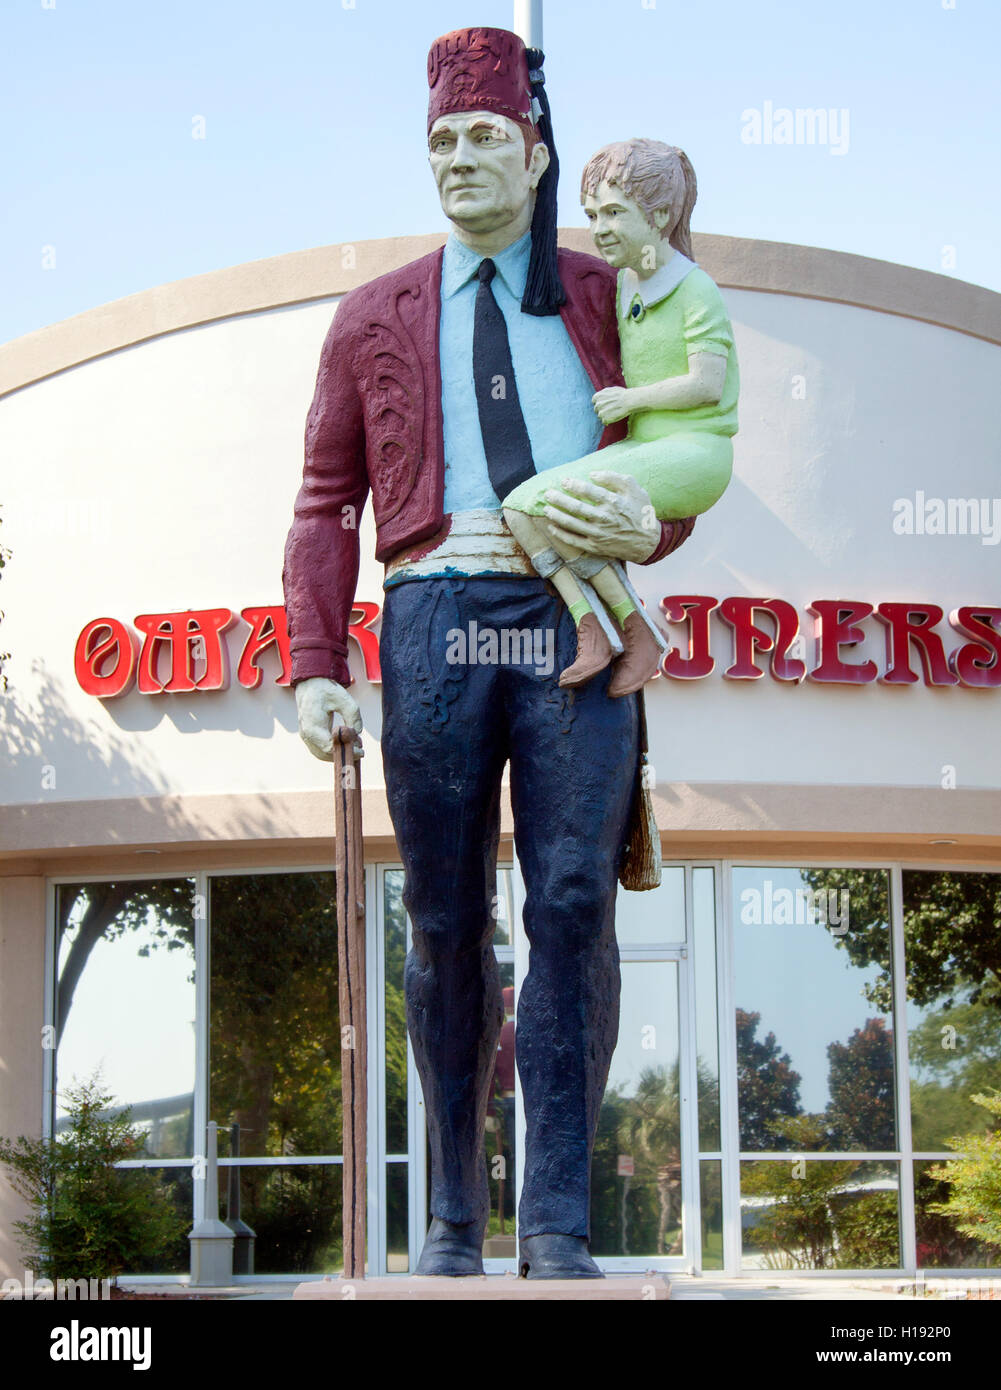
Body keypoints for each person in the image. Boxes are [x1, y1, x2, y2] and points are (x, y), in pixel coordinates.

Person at [282, 26, 695, 1280]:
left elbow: (682, 444)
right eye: (442, 142)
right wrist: (314, 658)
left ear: (536, 152)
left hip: (575, 619)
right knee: (446, 918)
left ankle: (560, 1220)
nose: (460, 161)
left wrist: (655, 522)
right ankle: (454, 1215)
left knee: (569, 908)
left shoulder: (609, 291)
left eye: (484, 140)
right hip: (431, 620)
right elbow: (321, 503)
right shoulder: (370, 318)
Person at [503, 138, 739, 694]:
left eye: (614, 213)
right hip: (644, 445)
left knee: (561, 508)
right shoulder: (626, 282)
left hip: (695, 450)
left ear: (659, 215)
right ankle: (600, 624)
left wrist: (631, 400)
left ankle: (632, 631)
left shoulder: (695, 289)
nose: (600, 228)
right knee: (521, 509)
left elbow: (708, 384)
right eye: (591, 215)